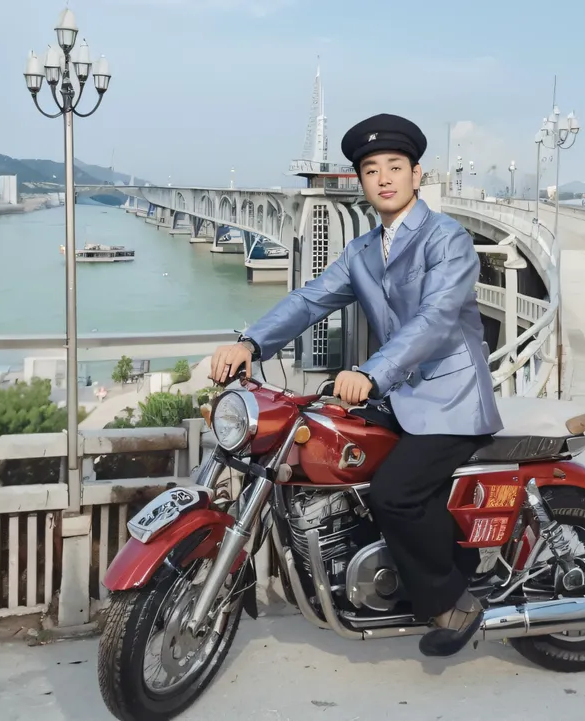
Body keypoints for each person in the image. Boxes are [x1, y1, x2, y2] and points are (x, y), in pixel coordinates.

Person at [209, 113, 503, 657]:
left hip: (450, 399)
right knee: (334, 453)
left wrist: (370, 373)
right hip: (396, 396)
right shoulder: (364, 250)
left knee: (395, 492)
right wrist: (251, 344)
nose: (384, 177)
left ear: (417, 175)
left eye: (395, 167)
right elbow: (309, 299)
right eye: (371, 170)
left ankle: (454, 600)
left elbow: (436, 320)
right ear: (361, 183)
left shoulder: (447, 239)